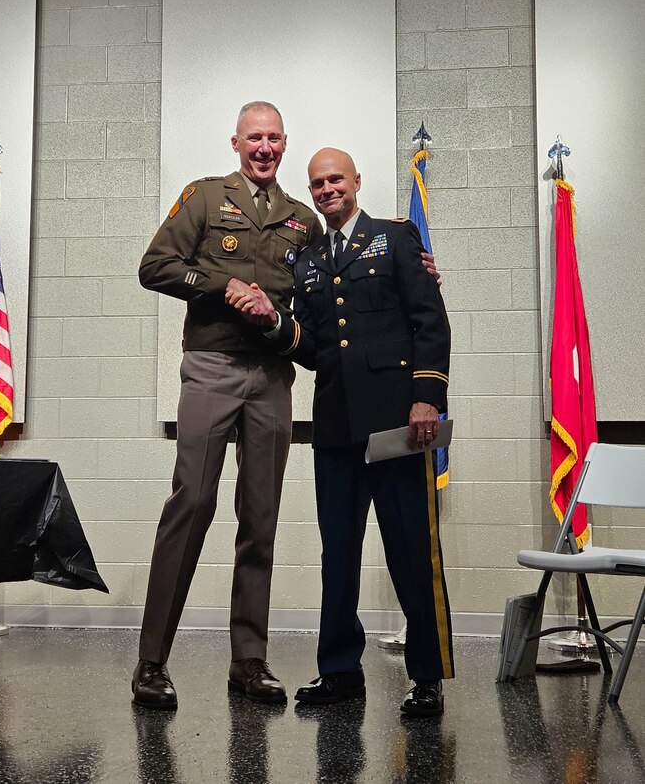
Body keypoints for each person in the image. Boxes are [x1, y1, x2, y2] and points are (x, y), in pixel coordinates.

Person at [227, 147, 454, 717]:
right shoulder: (306, 260)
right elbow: (315, 348)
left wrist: (426, 397)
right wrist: (273, 320)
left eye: (336, 179)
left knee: (410, 552)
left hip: (397, 425)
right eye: (318, 183)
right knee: (339, 556)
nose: (328, 189)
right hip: (334, 429)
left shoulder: (396, 239)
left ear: (357, 181)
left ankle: (426, 677)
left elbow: (430, 320)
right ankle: (340, 673)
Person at [132, 101, 324, 709]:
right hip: (212, 369)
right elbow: (155, 266)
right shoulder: (206, 198)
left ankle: (249, 661)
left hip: (272, 376)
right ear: (236, 142)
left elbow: (322, 305)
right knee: (191, 503)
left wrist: (412, 276)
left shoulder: (303, 221)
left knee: (261, 517)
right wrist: (224, 285)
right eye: (253, 138)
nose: (263, 148)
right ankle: (151, 663)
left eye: (273, 138)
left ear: (285, 144)